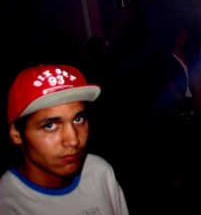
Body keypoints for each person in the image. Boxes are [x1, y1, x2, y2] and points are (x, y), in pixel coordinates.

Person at [0, 64, 128, 214]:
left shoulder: (99, 172)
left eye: (78, 119)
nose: (73, 140)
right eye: (50, 125)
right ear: (16, 133)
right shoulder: (7, 205)